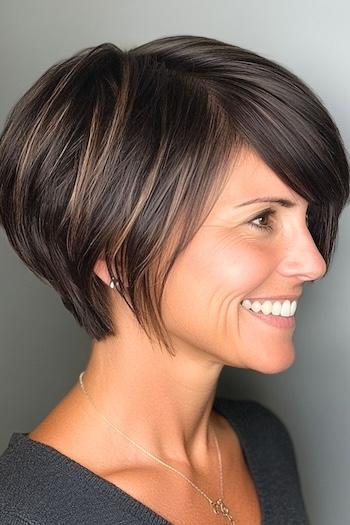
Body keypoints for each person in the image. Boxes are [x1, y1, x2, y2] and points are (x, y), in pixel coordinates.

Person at [0, 35, 348, 525]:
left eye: (307, 221)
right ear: (115, 251)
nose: (314, 263)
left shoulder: (262, 443)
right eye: (262, 219)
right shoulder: (28, 513)